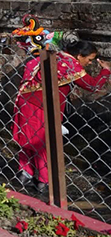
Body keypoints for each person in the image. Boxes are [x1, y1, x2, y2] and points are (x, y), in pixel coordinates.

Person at [13, 39, 110, 198]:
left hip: (26, 101)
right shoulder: (70, 65)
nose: (89, 63)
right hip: (42, 106)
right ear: (79, 56)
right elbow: (93, 85)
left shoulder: (57, 57)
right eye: (89, 59)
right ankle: (44, 181)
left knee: (28, 140)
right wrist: (105, 71)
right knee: (43, 143)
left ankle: (25, 173)